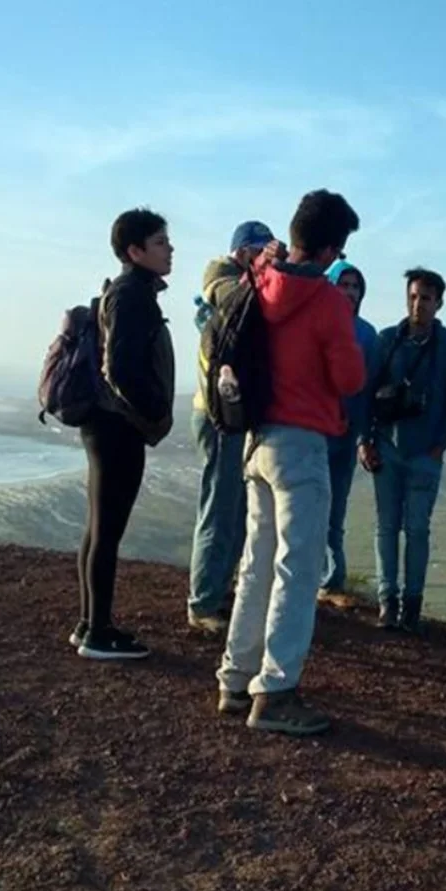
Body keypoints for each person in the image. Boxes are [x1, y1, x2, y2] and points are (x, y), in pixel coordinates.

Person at [216, 190, 366, 736]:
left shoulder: (260, 278)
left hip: (256, 438)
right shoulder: (326, 302)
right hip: (301, 444)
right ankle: (275, 692)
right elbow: (350, 378)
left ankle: (235, 678)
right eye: (338, 249)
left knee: (256, 563)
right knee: (297, 570)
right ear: (329, 246)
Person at [74, 208, 176, 661]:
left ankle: (88, 623)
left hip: (104, 423)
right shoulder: (133, 294)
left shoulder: (125, 291)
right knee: (108, 529)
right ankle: (99, 633)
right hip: (117, 426)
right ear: (134, 251)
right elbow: (121, 367)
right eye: (159, 242)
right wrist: (151, 411)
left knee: (98, 527)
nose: (169, 249)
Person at [360, 269, 446, 633]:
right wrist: (365, 440)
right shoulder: (387, 340)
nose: (417, 304)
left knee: (417, 528)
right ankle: (387, 602)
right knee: (387, 526)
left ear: (439, 302)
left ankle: (412, 606)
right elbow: (366, 392)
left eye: (425, 298)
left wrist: (440, 445)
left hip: (426, 451)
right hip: (388, 447)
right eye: (412, 296)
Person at [186, 221, 275, 634]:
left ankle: (218, 591)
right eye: (259, 251)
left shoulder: (233, 283)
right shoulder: (222, 282)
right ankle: (203, 601)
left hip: (232, 412)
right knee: (221, 508)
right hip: (220, 414)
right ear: (243, 253)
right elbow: (239, 302)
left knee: (236, 509)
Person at [318, 260, 380, 607]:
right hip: (313, 430)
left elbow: (366, 389)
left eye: (356, 286)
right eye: (344, 284)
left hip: (346, 433)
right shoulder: (318, 324)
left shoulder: (367, 334)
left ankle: (331, 580)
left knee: (335, 508)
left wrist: (362, 434)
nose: (351, 292)